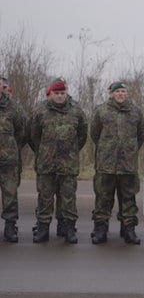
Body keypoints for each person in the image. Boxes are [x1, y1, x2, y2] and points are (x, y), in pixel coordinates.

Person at [28, 78, 88, 243]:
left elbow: (82, 135)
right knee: (45, 197)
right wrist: (44, 152)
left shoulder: (76, 112)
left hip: (68, 164)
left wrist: (71, 151)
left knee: (68, 198)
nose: (60, 96)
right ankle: (43, 229)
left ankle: (68, 229)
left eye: (62, 93)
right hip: (46, 164)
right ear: (50, 94)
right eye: (56, 93)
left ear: (66, 93)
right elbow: (33, 136)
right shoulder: (40, 111)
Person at [89, 81, 144, 244]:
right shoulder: (101, 111)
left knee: (129, 198)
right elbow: (94, 134)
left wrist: (130, 150)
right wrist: (107, 149)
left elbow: (140, 135)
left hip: (128, 165)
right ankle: (101, 229)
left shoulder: (135, 112)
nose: (120, 94)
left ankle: (129, 230)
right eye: (117, 91)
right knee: (103, 198)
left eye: (123, 91)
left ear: (127, 93)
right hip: (106, 164)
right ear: (111, 94)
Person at [0, 79, 25, 243]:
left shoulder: (13, 107)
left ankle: (10, 227)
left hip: (8, 161)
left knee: (10, 194)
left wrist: (10, 148)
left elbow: (21, 132)